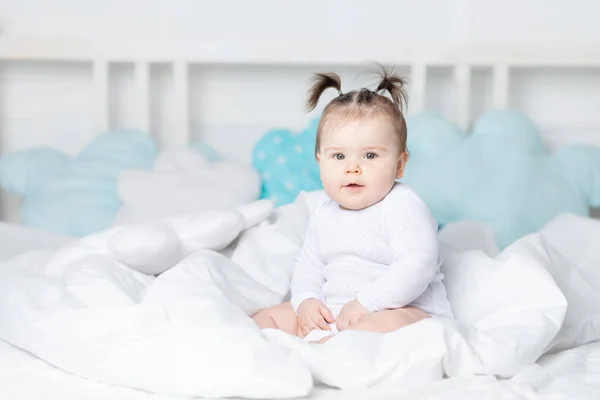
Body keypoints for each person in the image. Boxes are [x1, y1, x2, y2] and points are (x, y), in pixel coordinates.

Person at [252, 64, 453, 343]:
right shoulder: (323, 211)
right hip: (337, 313)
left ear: (399, 164)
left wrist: (366, 303)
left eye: (370, 156)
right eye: (338, 157)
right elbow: (308, 266)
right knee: (268, 318)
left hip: (401, 310)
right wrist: (306, 301)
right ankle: (258, 351)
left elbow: (417, 264)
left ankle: (329, 353)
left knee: (390, 322)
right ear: (319, 161)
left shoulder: (402, 205)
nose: (353, 168)